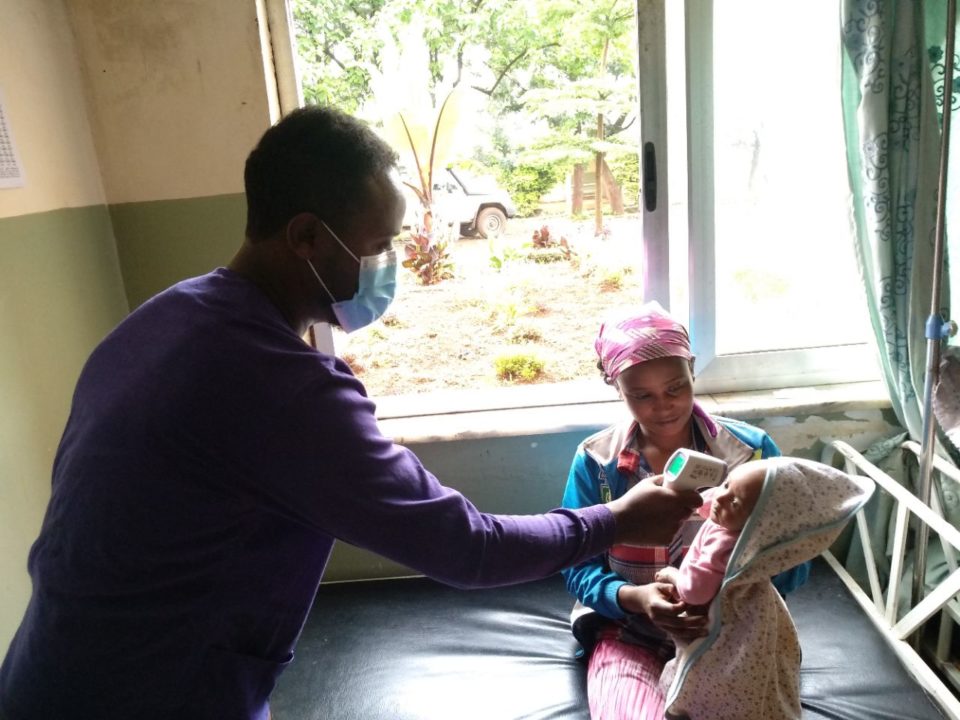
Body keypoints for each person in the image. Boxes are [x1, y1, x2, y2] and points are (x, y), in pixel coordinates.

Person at [0, 107, 703, 720]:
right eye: (376, 247)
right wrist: (618, 518)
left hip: (51, 667)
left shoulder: (167, 318)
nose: (387, 264)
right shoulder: (277, 387)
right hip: (149, 696)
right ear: (305, 236)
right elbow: (468, 548)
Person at [560, 301, 809, 720]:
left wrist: (725, 589)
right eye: (642, 395)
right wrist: (635, 597)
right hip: (629, 634)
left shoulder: (751, 454)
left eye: (676, 386)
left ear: (692, 369)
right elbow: (575, 564)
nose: (664, 406)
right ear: (616, 388)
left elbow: (795, 557)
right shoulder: (596, 464)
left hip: (737, 635)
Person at [655, 458, 875, 720]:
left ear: (758, 523)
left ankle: (697, 708)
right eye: (726, 484)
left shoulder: (726, 549)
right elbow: (713, 499)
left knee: (717, 666)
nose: (721, 498)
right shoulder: (731, 516)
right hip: (761, 611)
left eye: (735, 502)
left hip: (728, 621)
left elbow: (695, 592)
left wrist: (672, 574)